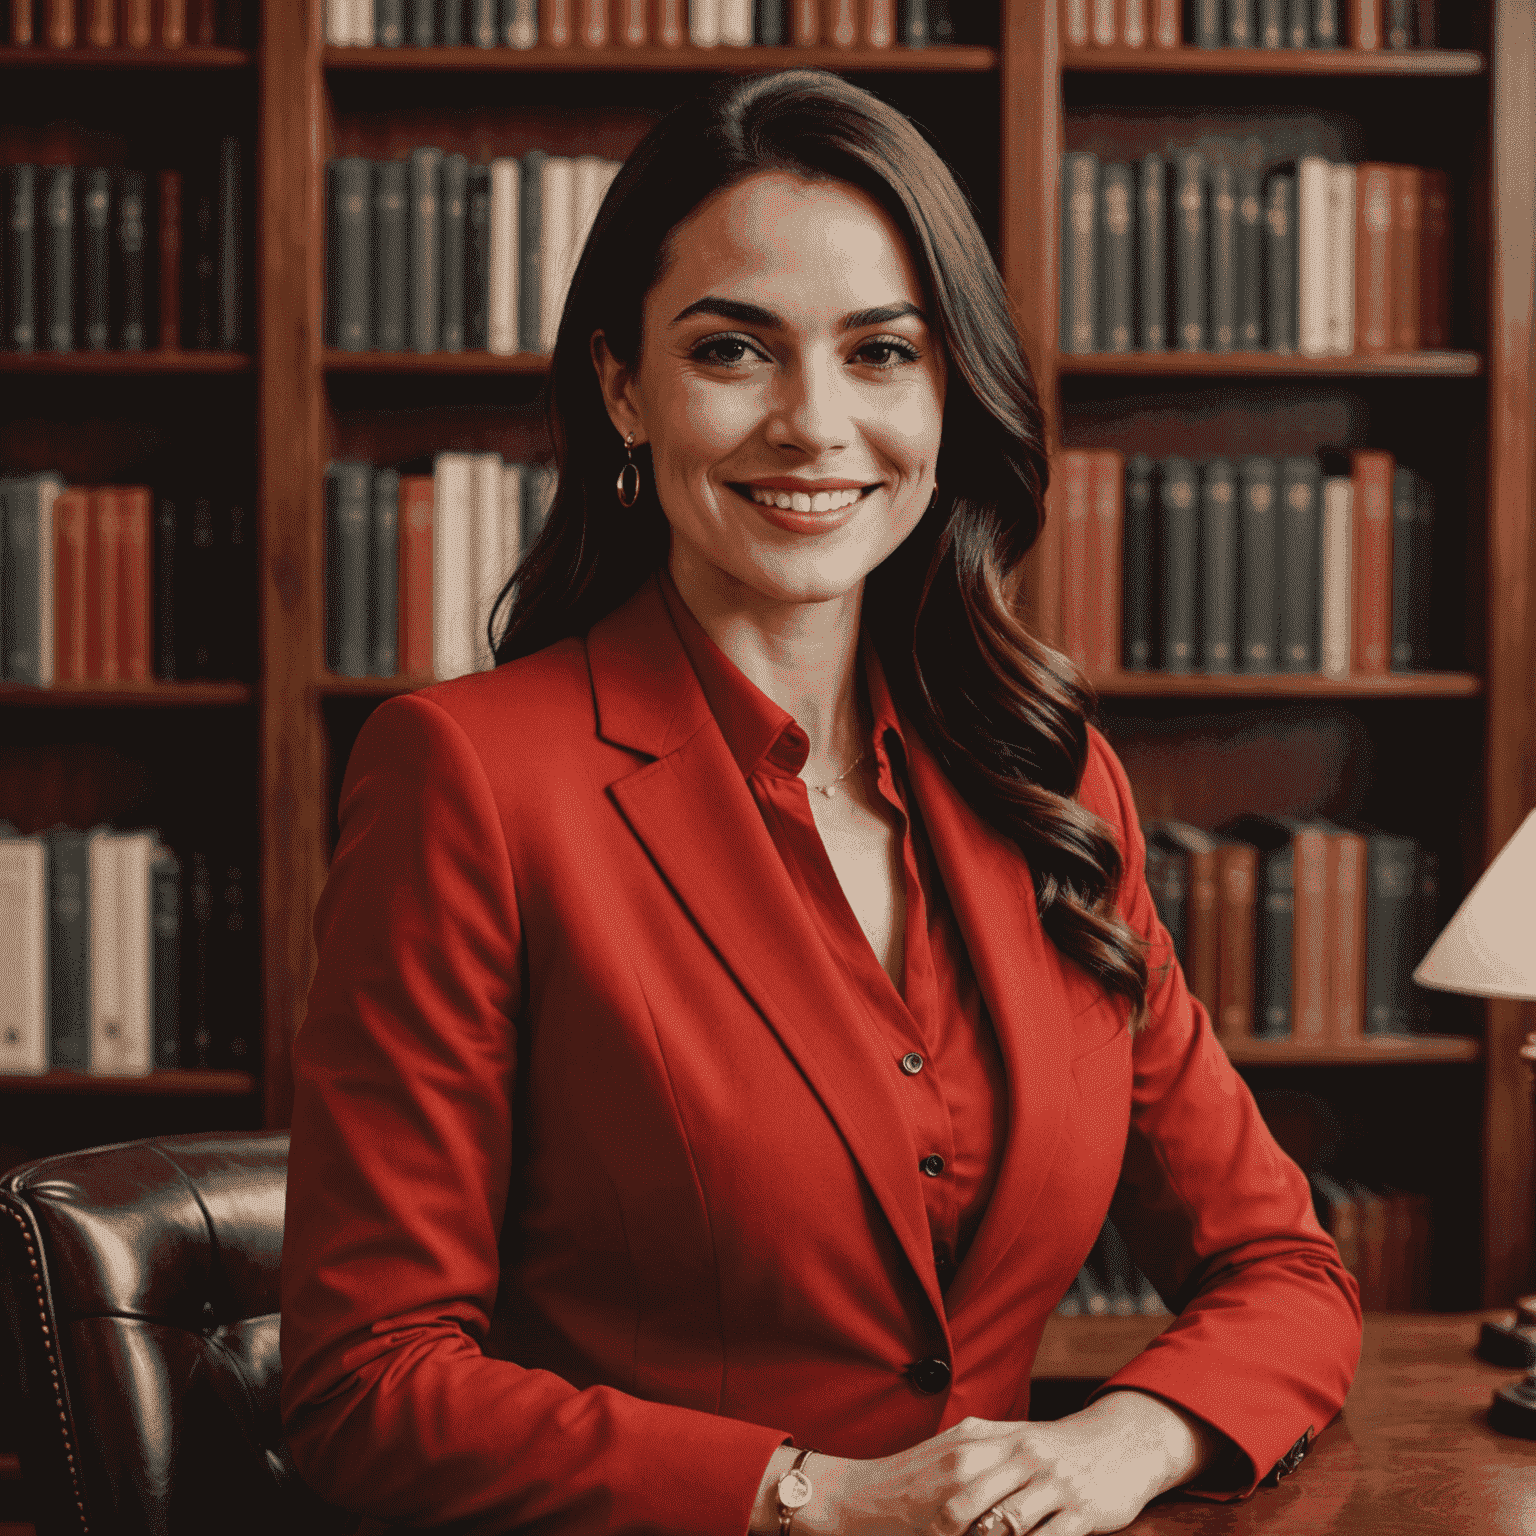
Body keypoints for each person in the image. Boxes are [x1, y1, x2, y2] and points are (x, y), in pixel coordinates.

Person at [280, 70, 1362, 1536]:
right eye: (734, 351)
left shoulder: (1047, 782)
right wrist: (810, 1500)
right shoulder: (468, 780)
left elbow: (1282, 1269)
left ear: (945, 389)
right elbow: (366, 1385)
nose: (814, 423)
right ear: (623, 386)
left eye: (881, 354)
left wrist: (1123, 1440)